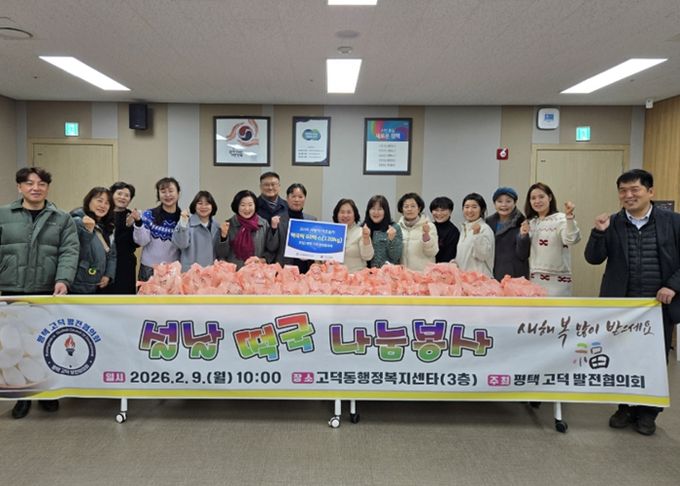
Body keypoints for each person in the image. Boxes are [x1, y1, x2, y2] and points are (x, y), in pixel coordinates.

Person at [585, 169, 680, 436]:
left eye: (634, 189)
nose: (628, 195)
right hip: (622, 307)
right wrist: (598, 232)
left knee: (654, 358)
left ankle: (648, 412)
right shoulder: (612, 222)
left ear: (650, 192)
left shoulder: (673, 221)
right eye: (623, 191)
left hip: (657, 306)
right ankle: (625, 407)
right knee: (621, 356)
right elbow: (593, 258)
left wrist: (673, 285)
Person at [0, 167, 79, 419]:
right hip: (10, 290)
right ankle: (22, 397)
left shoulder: (62, 218)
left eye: (41, 183)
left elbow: (69, 251)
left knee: (47, 344)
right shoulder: (3, 215)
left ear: (47, 187)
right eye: (29, 183)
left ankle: (49, 394)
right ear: (19, 187)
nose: (36, 188)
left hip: (47, 291)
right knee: (15, 347)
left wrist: (63, 279)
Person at [524, 182, 581, 296]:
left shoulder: (561, 219)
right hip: (535, 279)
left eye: (541, 197)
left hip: (558, 281)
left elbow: (571, 239)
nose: (537, 201)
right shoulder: (531, 223)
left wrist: (569, 217)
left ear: (549, 197)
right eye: (533, 198)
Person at [132, 177, 182, 281]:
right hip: (149, 268)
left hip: (172, 270)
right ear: (158, 195)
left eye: (171, 191)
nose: (167, 195)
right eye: (163, 192)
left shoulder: (183, 219)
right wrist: (138, 222)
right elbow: (142, 241)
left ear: (178, 193)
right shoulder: (149, 215)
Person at [69, 187, 117, 294]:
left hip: (98, 284)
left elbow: (112, 254)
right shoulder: (77, 222)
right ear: (89, 201)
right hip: (78, 284)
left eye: (107, 203)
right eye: (99, 200)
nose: (103, 205)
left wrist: (108, 275)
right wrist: (88, 232)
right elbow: (74, 253)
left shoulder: (108, 226)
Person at [217, 190, 278, 269]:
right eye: (243, 205)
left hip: (257, 272)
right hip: (235, 273)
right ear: (237, 206)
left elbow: (271, 249)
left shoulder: (263, 224)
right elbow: (221, 254)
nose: (247, 209)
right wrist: (223, 237)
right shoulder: (228, 225)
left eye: (250, 205)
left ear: (255, 205)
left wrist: (263, 260)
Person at [270, 183, 317, 273]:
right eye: (293, 196)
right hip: (284, 270)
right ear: (287, 198)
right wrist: (273, 228)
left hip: (306, 269)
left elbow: (316, 246)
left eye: (300, 197)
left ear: (305, 199)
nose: (297, 200)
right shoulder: (278, 220)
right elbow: (272, 247)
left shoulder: (312, 220)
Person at [486, 187, 530, 280]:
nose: (504, 205)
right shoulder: (488, 222)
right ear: (494, 203)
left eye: (508, 201)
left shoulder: (522, 222)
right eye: (499, 201)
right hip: (492, 273)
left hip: (514, 274)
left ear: (515, 203)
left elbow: (523, 254)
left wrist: (523, 236)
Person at [172, 191, 220, 272]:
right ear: (195, 205)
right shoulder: (186, 223)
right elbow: (181, 244)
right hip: (190, 272)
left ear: (212, 206)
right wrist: (183, 223)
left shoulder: (216, 226)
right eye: (200, 203)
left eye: (207, 204)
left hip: (210, 272)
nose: (203, 207)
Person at [104, 181, 137, 294]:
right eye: (119, 193)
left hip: (125, 265)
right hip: (105, 263)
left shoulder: (132, 216)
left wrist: (132, 226)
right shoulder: (103, 214)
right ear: (111, 195)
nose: (122, 197)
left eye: (127, 195)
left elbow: (136, 243)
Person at [455, 193, 494, 277]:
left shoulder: (484, 228)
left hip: (479, 279)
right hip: (466, 278)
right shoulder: (465, 228)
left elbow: (483, 255)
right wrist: (456, 262)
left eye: (474, 207)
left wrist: (477, 235)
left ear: (482, 209)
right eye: (467, 207)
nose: (470, 210)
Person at [397, 193, 438, 271]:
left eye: (413, 206)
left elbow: (432, 252)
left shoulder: (429, 226)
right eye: (406, 206)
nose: (409, 209)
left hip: (423, 274)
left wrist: (426, 235)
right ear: (402, 209)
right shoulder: (397, 227)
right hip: (404, 274)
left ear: (419, 208)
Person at [333, 198, 374, 273]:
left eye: (349, 212)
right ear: (337, 214)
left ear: (355, 215)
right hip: (335, 277)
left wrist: (366, 238)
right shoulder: (331, 232)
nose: (345, 215)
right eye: (342, 212)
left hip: (356, 276)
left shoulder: (361, 232)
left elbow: (368, 257)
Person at [364, 195, 402, 268]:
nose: (376, 212)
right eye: (373, 208)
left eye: (380, 209)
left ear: (385, 211)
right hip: (365, 272)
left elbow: (396, 257)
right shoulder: (363, 228)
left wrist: (391, 240)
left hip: (387, 273)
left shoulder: (394, 228)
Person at [429, 196, 460, 263]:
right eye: (436, 210)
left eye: (443, 210)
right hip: (425, 265)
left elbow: (449, 256)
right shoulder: (429, 227)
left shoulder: (453, 231)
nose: (439, 213)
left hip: (442, 267)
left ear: (450, 211)